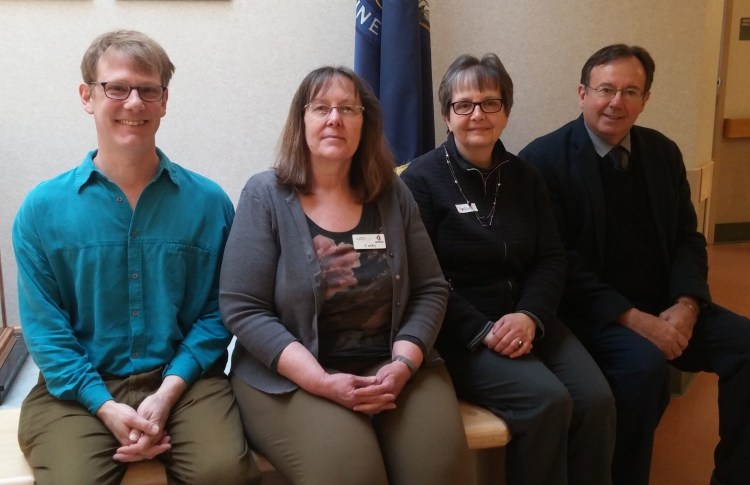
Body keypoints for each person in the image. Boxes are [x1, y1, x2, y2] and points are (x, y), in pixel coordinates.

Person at [12, 30, 260, 485]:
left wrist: (168, 392)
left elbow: (217, 311)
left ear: (164, 101)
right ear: (87, 95)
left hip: (186, 384)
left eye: (149, 90)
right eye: (117, 88)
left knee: (224, 472)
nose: (134, 103)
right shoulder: (40, 210)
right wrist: (104, 405)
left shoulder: (210, 204)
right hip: (76, 391)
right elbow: (46, 332)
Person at [219, 65, 472, 485]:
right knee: (352, 473)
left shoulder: (393, 193)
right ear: (301, 121)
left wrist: (403, 365)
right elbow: (242, 308)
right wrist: (319, 380)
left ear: (364, 123)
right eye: (321, 108)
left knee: (438, 470)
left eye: (347, 109)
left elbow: (430, 289)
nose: (334, 118)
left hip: (395, 366)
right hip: (293, 377)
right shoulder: (265, 194)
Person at [520, 43, 750, 485]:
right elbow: (558, 262)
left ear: (646, 99)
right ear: (582, 93)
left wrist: (687, 304)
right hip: (595, 314)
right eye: (606, 89)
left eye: (631, 91)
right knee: (645, 371)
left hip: (668, 305)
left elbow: (687, 237)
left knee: (746, 345)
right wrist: (635, 320)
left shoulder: (663, 153)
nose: (616, 102)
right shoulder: (543, 161)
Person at [401, 53, 615, 485]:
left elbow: (551, 257)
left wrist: (530, 317)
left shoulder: (525, 176)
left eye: (490, 102)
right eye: (464, 104)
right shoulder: (419, 181)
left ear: (507, 111)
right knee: (547, 402)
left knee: (598, 401)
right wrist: (485, 330)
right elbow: (423, 278)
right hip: (463, 332)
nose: (477, 114)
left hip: (529, 316)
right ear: (447, 114)